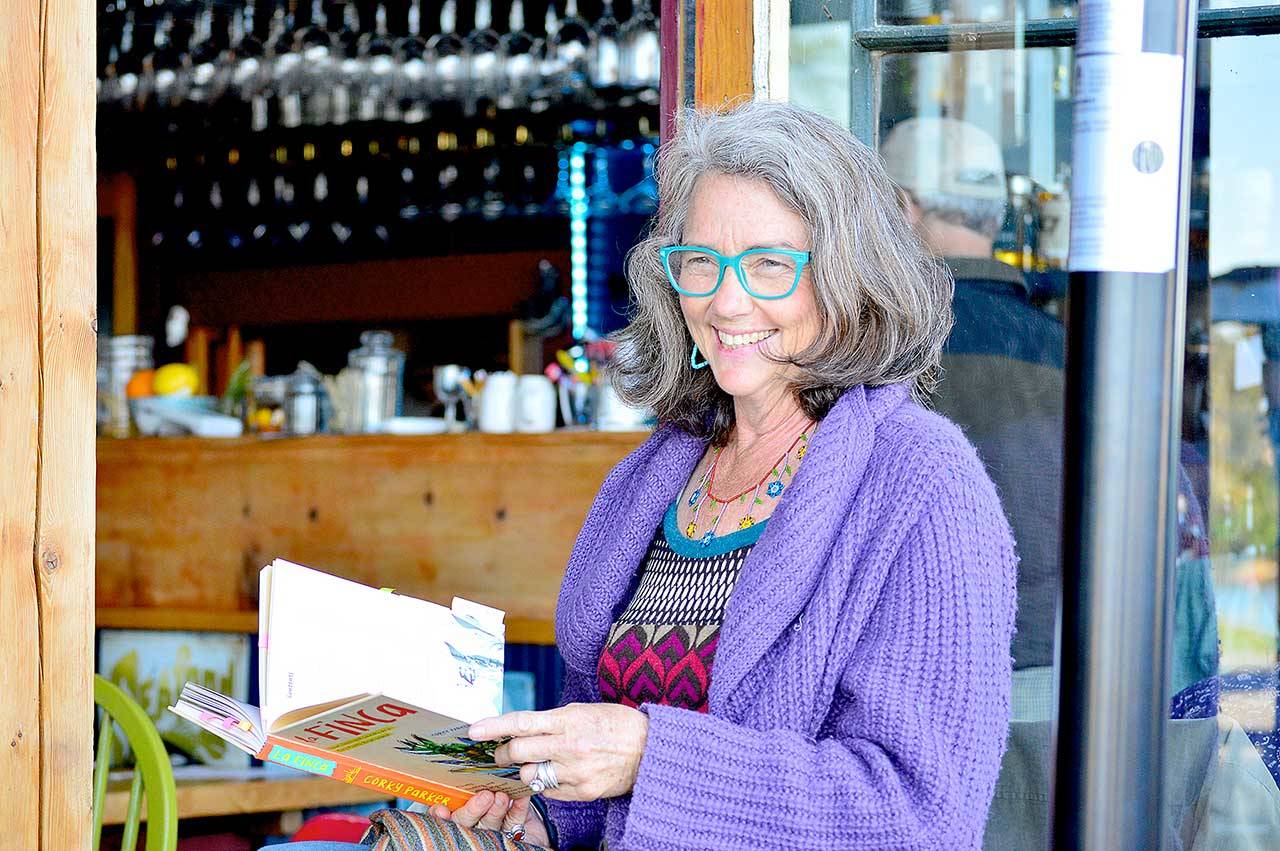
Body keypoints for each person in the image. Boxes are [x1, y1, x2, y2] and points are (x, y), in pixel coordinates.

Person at [267, 101, 1017, 851]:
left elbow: (919, 817)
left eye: (769, 264)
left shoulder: (921, 481)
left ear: (847, 277)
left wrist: (651, 755)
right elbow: (603, 784)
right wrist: (544, 808)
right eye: (700, 262)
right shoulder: (656, 472)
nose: (726, 300)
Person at [880, 116, 1065, 683]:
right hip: (1051, 667)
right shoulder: (1070, 352)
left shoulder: (880, 347)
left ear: (904, 207)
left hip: (910, 672)